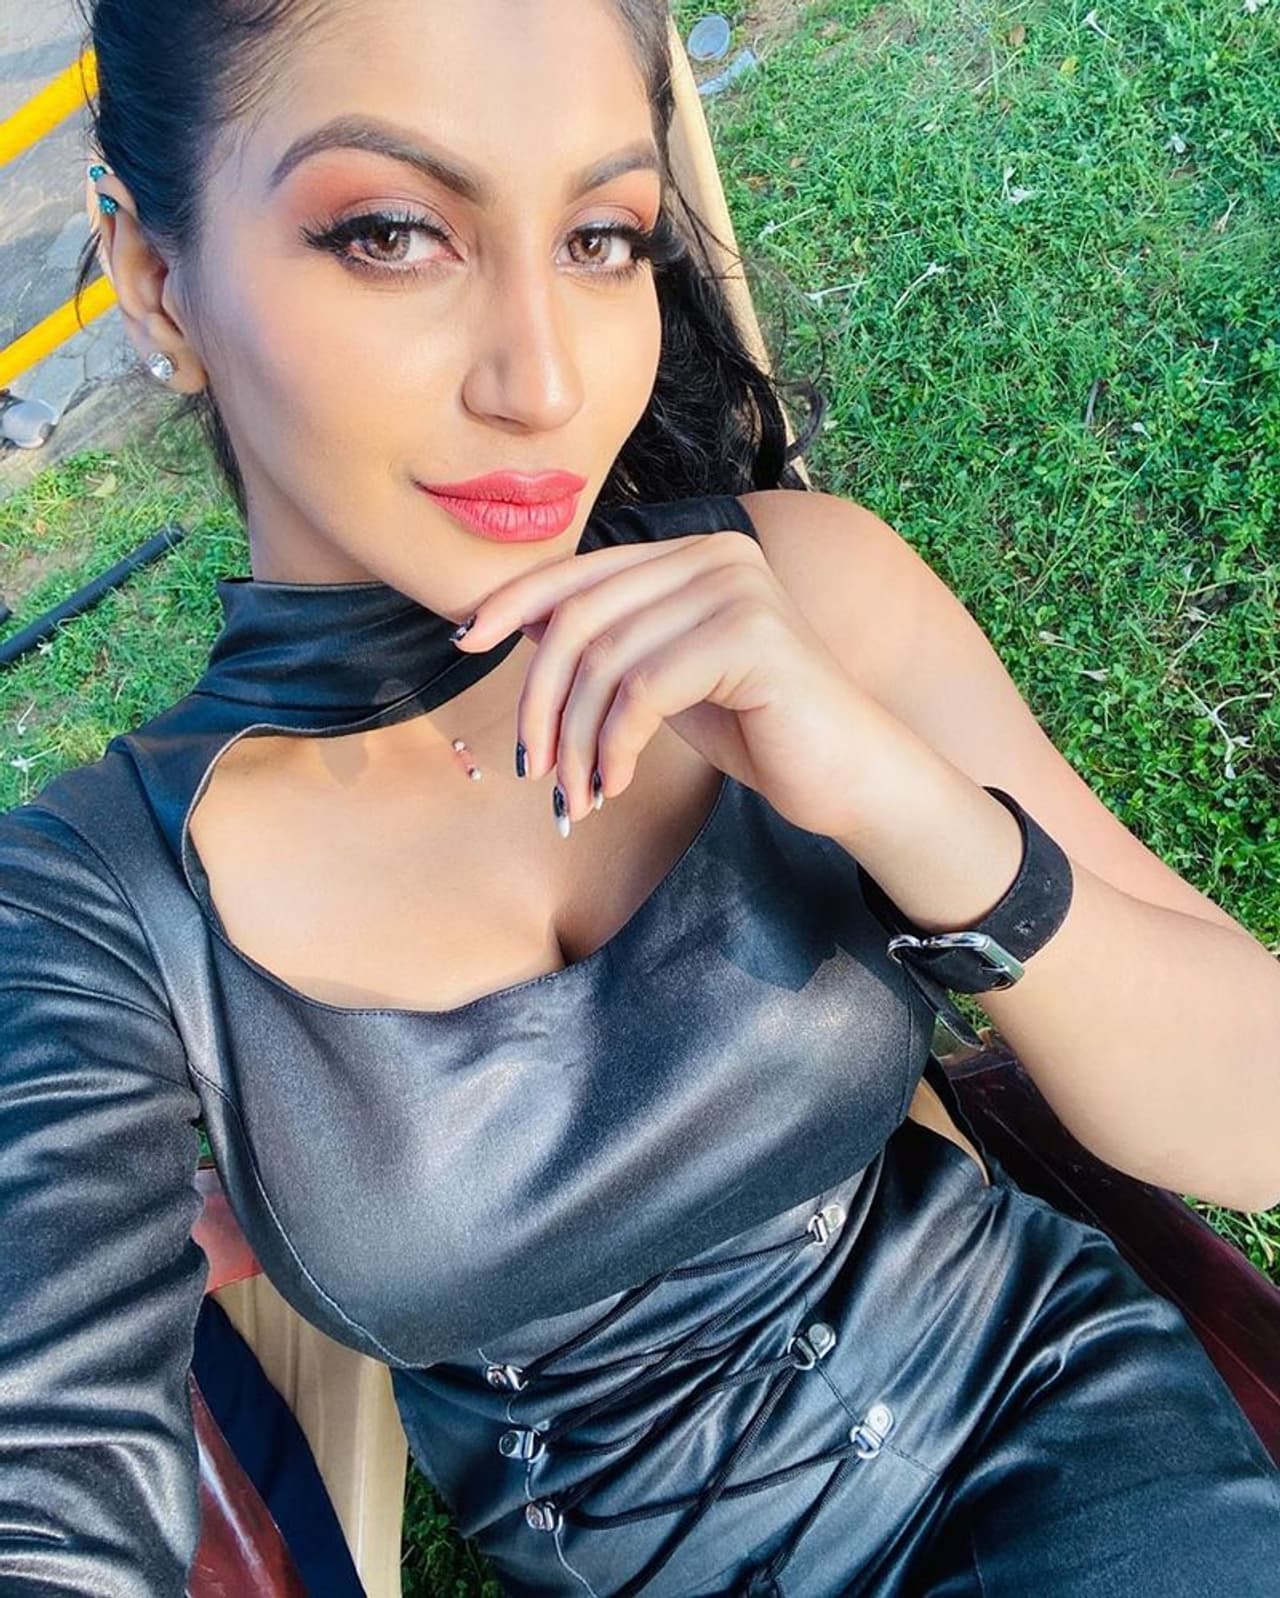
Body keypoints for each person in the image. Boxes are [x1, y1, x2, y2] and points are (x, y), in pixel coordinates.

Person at [3, 2, 1278, 1594]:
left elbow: (1257, 1114)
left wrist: (911, 809)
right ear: (154, 278)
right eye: (393, 233)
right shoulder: (90, 911)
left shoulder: (798, 596)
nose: (545, 381)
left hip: (1079, 1455)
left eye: (601, 238)